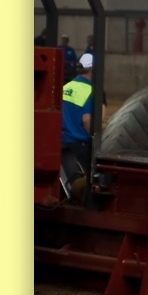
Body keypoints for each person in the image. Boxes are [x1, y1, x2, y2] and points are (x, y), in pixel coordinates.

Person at [61, 53, 103, 197]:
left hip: (63, 143)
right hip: (80, 145)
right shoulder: (91, 90)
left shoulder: (66, 87)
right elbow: (87, 120)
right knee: (85, 187)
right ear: (92, 69)